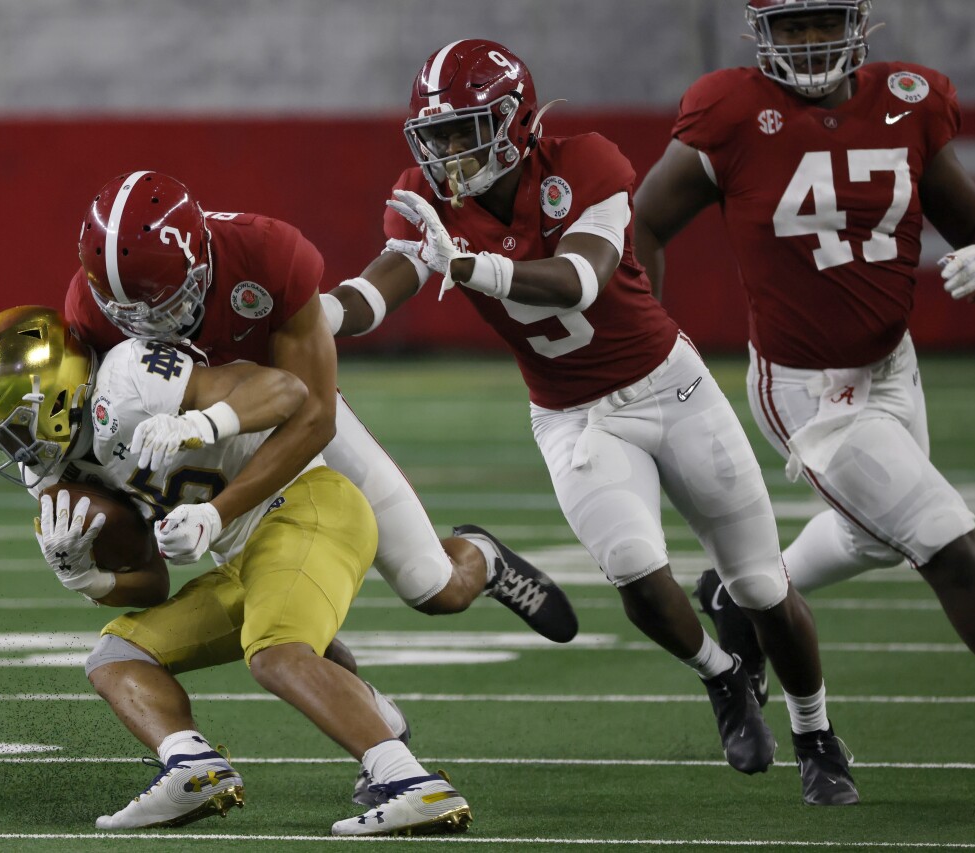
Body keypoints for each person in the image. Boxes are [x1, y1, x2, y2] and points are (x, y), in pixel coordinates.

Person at [322, 37, 855, 805]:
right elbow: (370, 296)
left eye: (464, 130)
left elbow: (577, 281)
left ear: (515, 121)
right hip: (572, 415)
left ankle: (817, 731)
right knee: (636, 572)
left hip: (670, 389)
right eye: (435, 135)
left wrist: (464, 263)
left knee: (761, 584)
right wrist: (305, 315)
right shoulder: (427, 199)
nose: (447, 152)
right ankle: (723, 673)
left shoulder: (587, 162)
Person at [633, 0, 975, 715]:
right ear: (762, 34)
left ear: (858, 21)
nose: (812, 42)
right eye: (793, 27)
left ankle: (740, 591)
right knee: (949, 544)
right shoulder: (730, 110)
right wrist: (649, 348)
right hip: (806, 389)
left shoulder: (908, 99)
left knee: (871, 538)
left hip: (893, 363)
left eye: (824, 22)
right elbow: (643, 222)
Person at [0, 305, 473, 837]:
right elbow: (152, 582)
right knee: (116, 656)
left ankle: (409, 782)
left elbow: (287, 392)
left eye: (17, 425)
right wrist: (91, 581)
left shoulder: (128, 378)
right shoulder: (57, 470)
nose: (14, 447)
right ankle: (192, 767)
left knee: (275, 652)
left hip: (306, 504)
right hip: (244, 556)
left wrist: (203, 423)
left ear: (60, 395)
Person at [65, 170, 577, 646]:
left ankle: (485, 561)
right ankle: (370, 717)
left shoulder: (264, 254)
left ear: (200, 262)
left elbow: (313, 416)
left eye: (166, 305)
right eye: (126, 315)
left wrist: (215, 515)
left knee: (431, 586)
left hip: (288, 414)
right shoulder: (91, 309)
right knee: (276, 608)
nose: (148, 327)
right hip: (197, 448)